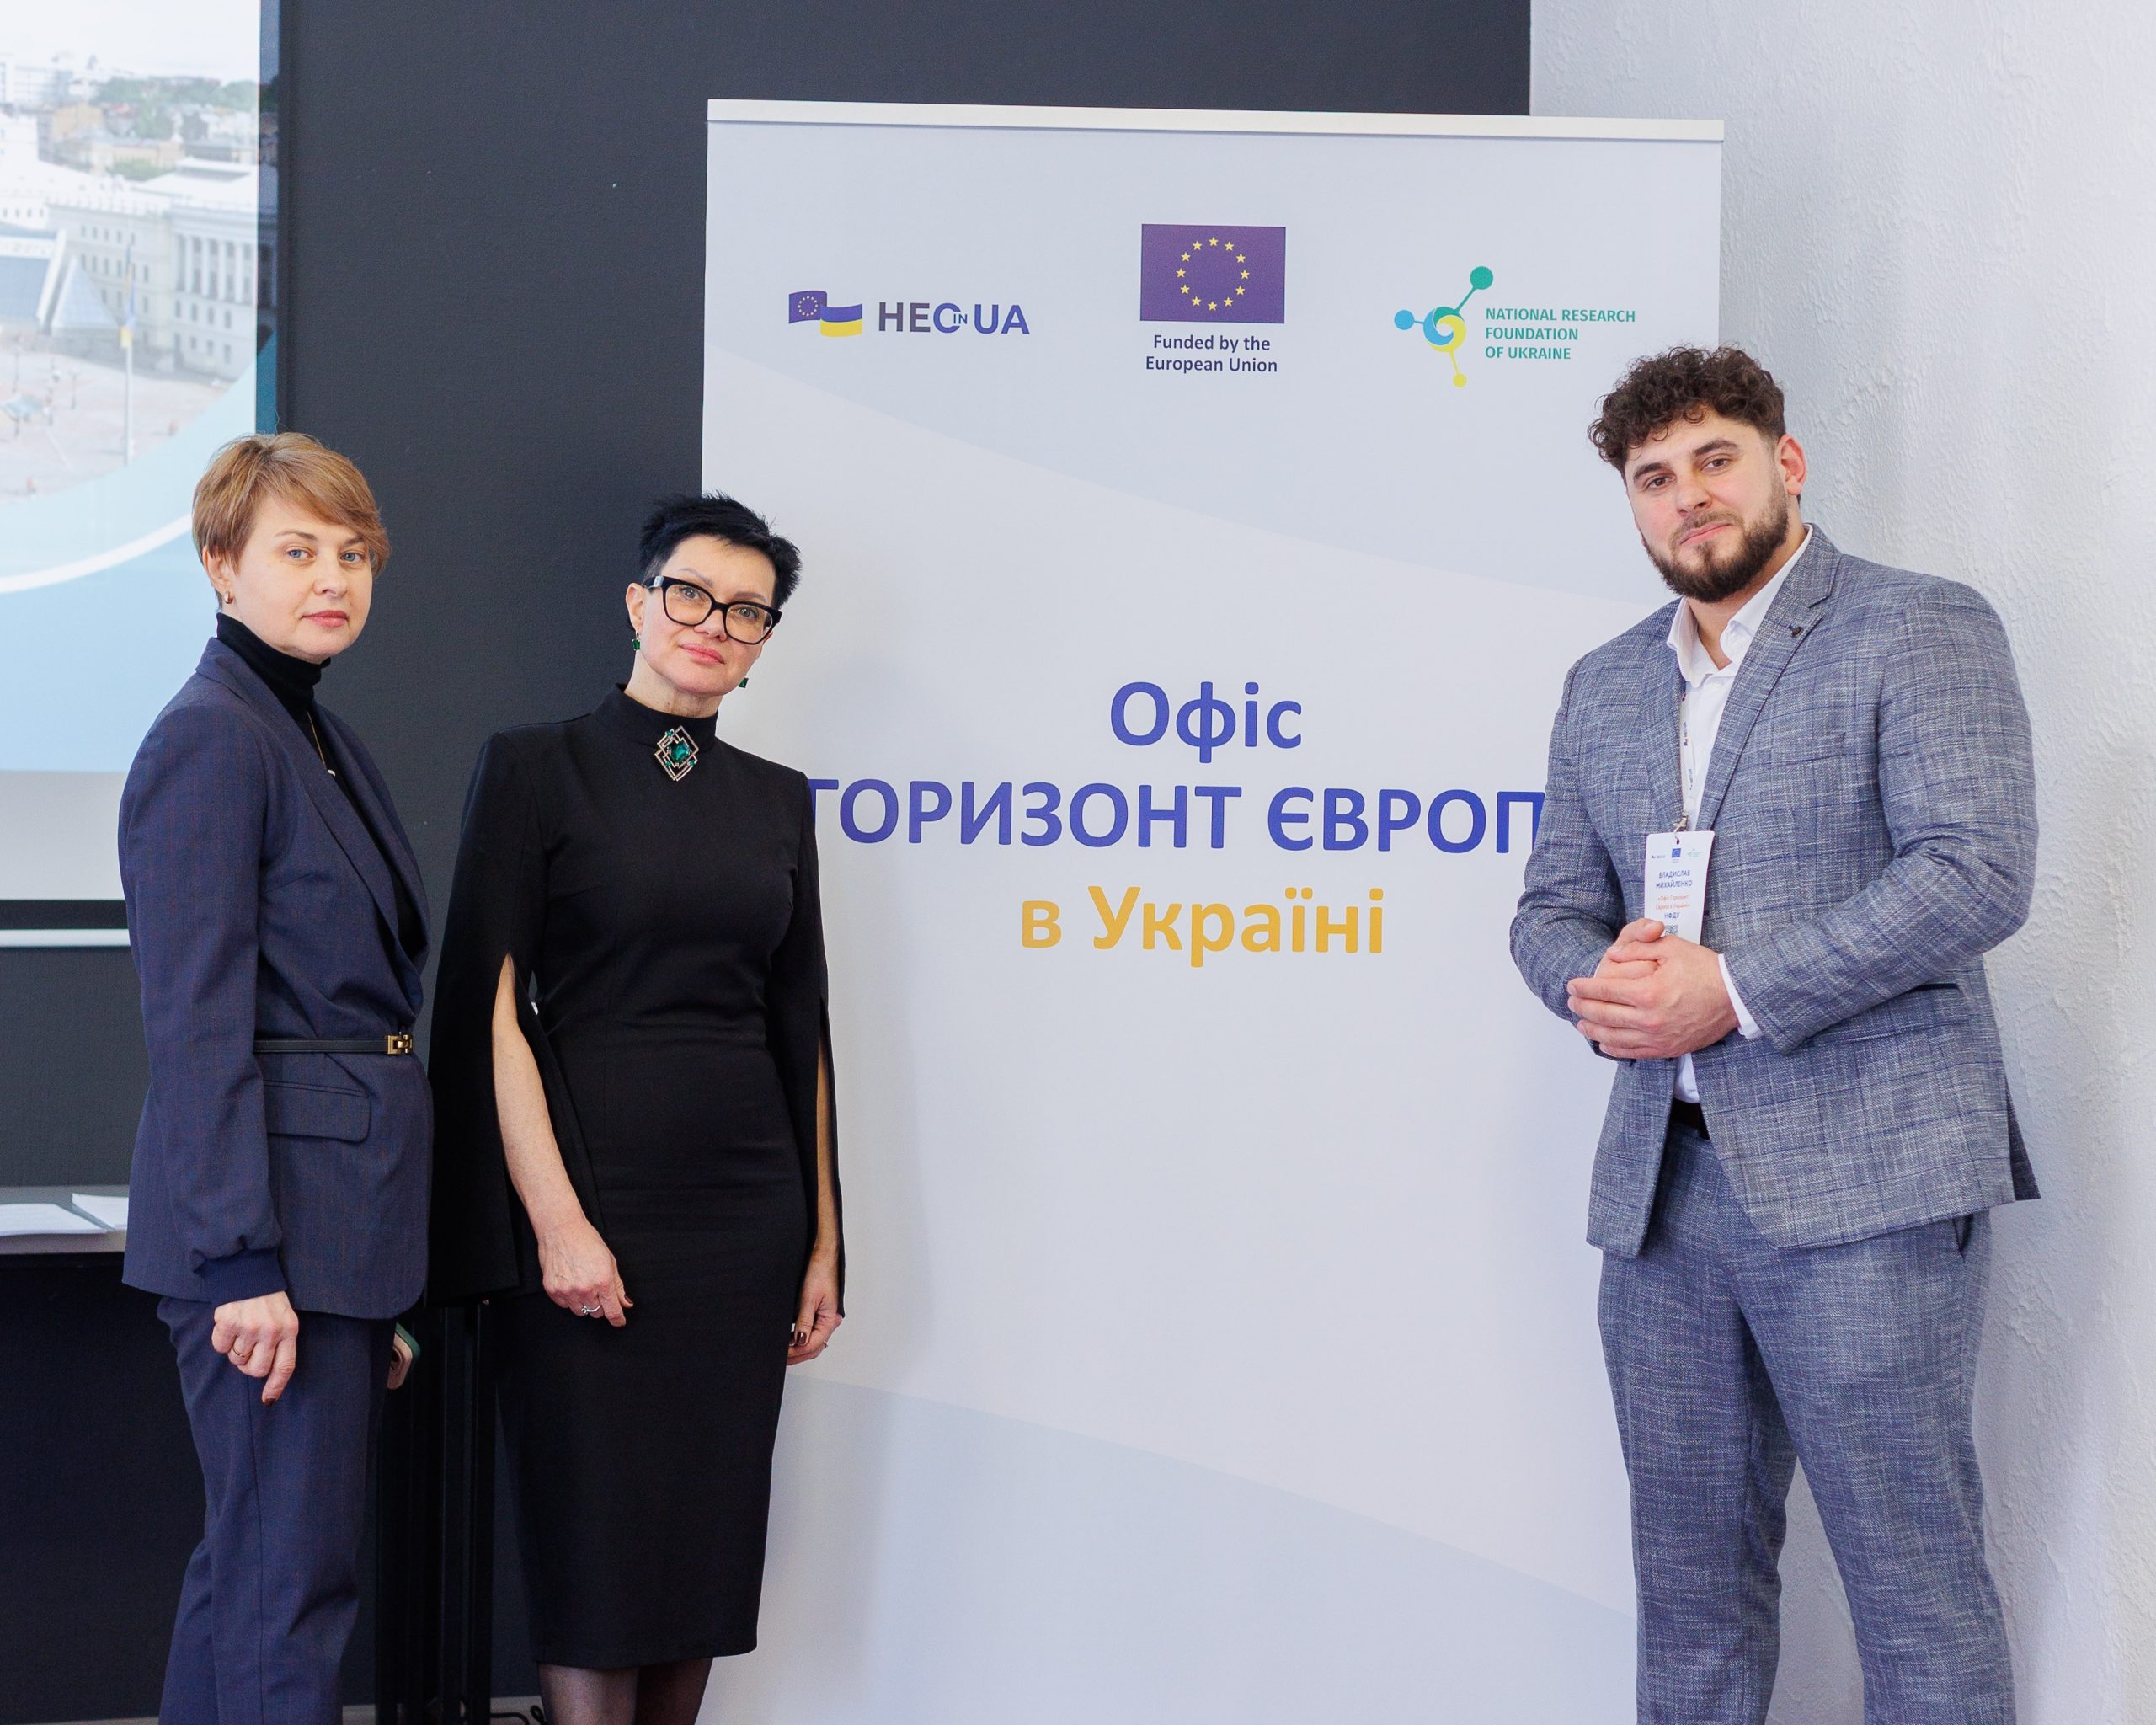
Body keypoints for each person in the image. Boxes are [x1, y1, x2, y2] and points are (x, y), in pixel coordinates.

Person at [1511, 346, 2036, 1724]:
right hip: (1663, 1199)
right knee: (1690, 1603)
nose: (1689, 497)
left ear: (1785, 465)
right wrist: (1599, 983)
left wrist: (1732, 990)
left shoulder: (1916, 626)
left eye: (1716, 460)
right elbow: (1551, 908)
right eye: (1655, 478)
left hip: (1871, 1189)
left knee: (1914, 1596)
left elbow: (1974, 872)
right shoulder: (1604, 684)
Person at [429, 492, 842, 1725]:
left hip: (746, 1226)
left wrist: (825, 1243)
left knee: (700, 1553)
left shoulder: (779, 799)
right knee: (596, 1551)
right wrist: (557, 1226)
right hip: (593, 1201)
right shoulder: (535, 767)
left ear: (763, 643)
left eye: (748, 611)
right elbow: (488, 1008)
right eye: (691, 594)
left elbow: (803, 1027)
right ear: (638, 603)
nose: (714, 623)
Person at [120, 433, 430, 1724]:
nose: (333, 579)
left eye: (353, 554)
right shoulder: (212, 737)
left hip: (338, 1239)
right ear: (219, 565)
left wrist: (379, 1271)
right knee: (283, 1590)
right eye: (298, 551)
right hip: (265, 1249)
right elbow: (196, 1025)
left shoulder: (310, 729)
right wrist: (243, 1262)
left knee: (260, 1578)